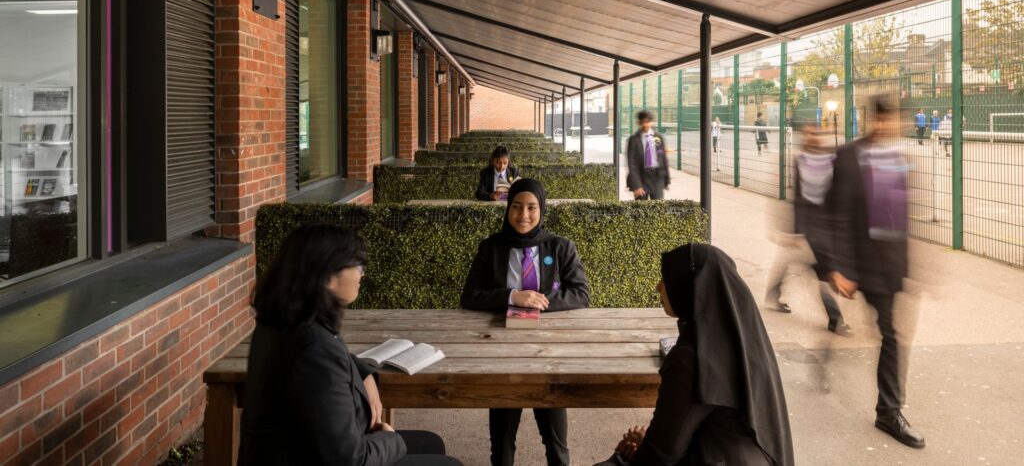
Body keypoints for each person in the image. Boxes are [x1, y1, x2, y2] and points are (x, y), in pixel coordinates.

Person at [239, 224, 463, 466]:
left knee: (431, 443)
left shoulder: (285, 322)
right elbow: (350, 459)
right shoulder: (314, 348)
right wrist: (391, 439)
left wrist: (365, 374)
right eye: (358, 266)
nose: (362, 274)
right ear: (327, 276)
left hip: (296, 450)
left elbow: (332, 362)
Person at [596, 244, 794, 466]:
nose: (658, 287)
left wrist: (637, 447)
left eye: (666, 280)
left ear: (689, 288)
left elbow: (662, 454)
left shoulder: (691, 357)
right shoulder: (746, 344)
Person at [461, 179, 590, 466]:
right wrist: (512, 296)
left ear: (541, 209)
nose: (523, 215)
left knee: (557, 446)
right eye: (517, 207)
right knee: (502, 445)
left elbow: (581, 294)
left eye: (532, 207)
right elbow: (469, 296)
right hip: (503, 355)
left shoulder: (561, 247)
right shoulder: (491, 248)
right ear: (507, 209)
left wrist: (538, 301)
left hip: (548, 355)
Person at [827, 97, 925, 449]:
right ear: (873, 120)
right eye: (882, 119)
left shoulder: (898, 159)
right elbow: (835, 214)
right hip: (860, 263)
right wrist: (838, 267)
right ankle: (889, 411)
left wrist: (912, 269)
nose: (888, 126)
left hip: (889, 266)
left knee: (893, 336)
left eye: (893, 120)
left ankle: (888, 410)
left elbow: (902, 216)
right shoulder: (848, 157)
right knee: (892, 336)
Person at [765, 126, 851, 335]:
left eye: (817, 134)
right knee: (819, 270)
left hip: (823, 228)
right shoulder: (799, 160)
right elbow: (794, 197)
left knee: (811, 267)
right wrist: (789, 230)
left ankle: (774, 292)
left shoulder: (831, 160)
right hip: (806, 228)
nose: (813, 138)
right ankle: (835, 319)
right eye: (809, 134)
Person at [626, 111, 671, 200]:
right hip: (641, 178)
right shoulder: (633, 139)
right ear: (639, 123)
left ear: (652, 122)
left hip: (657, 177)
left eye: (648, 122)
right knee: (641, 207)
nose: (646, 124)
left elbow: (663, 158)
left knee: (658, 206)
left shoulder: (659, 137)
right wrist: (636, 185)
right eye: (643, 122)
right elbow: (632, 164)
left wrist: (667, 179)